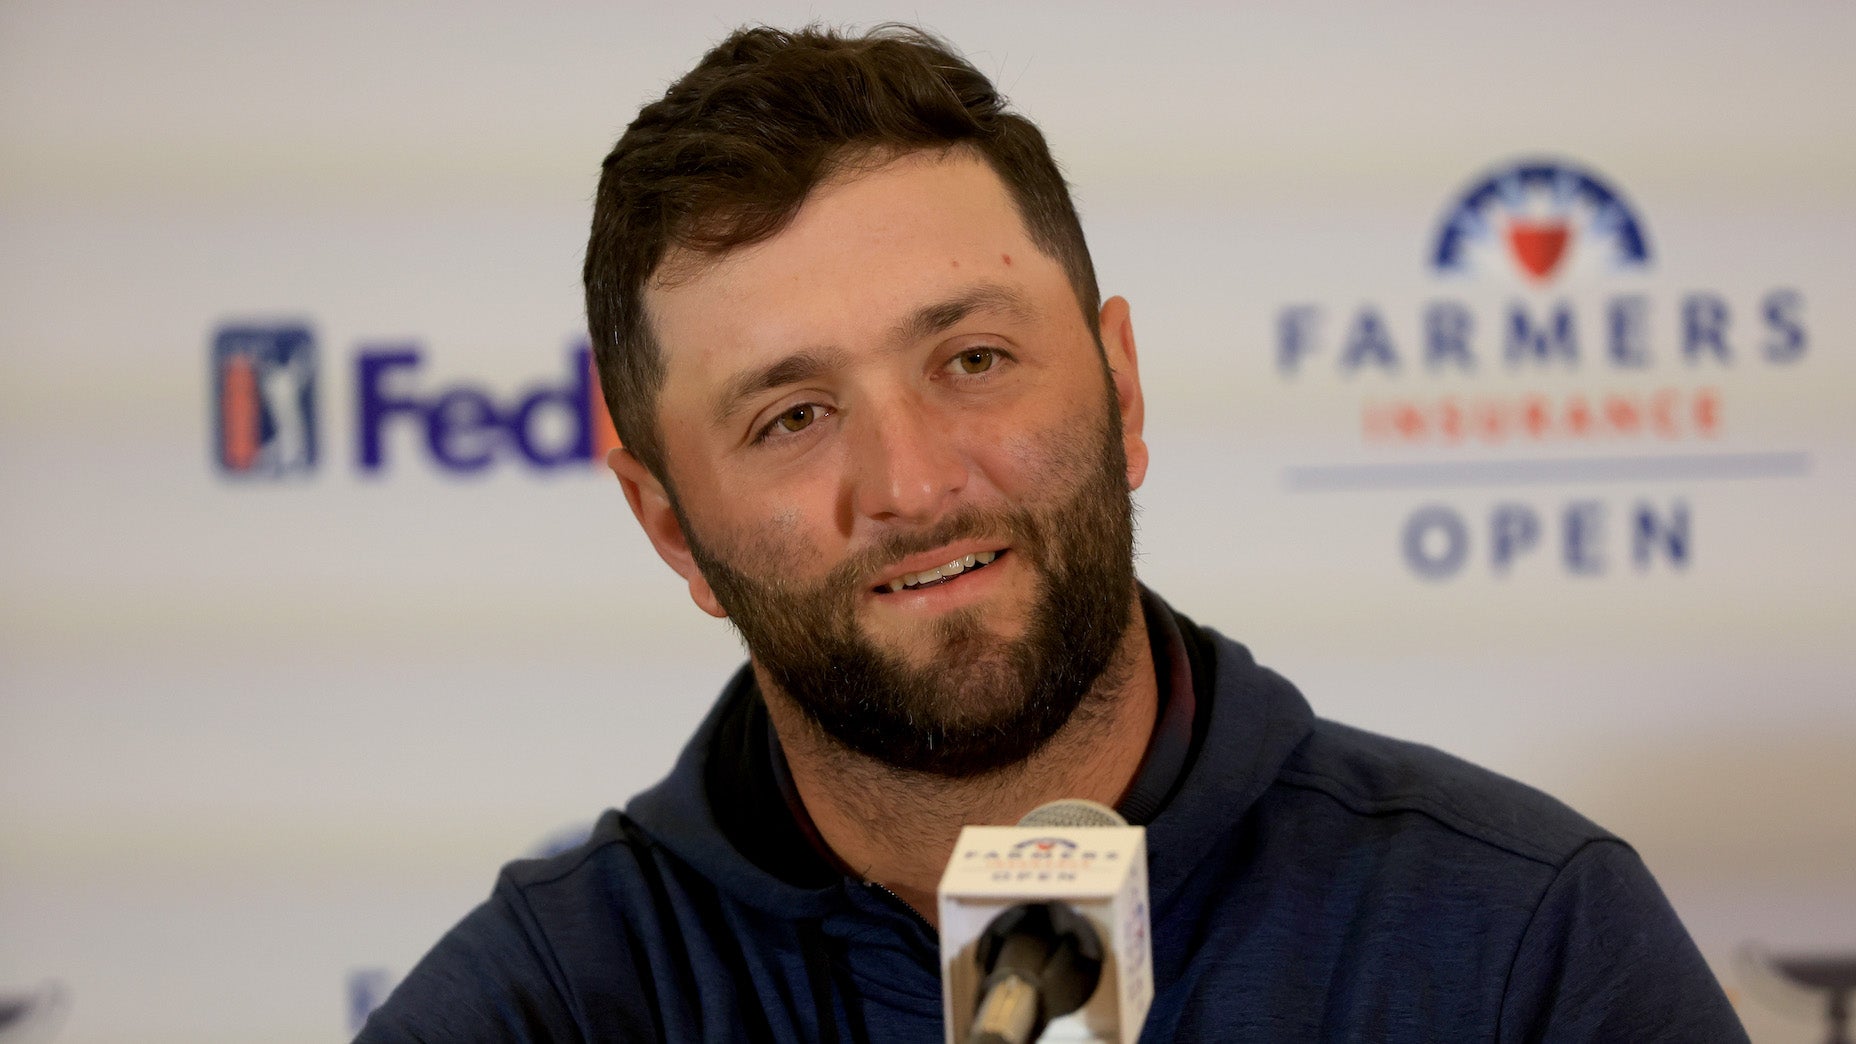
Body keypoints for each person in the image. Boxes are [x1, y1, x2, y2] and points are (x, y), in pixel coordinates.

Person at [358, 24, 1747, 1042]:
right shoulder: (538, 1012)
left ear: (1122, 388)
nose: (912, 480)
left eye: (972, 359)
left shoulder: (1523, 944)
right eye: (791, 416)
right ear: (668, 526)